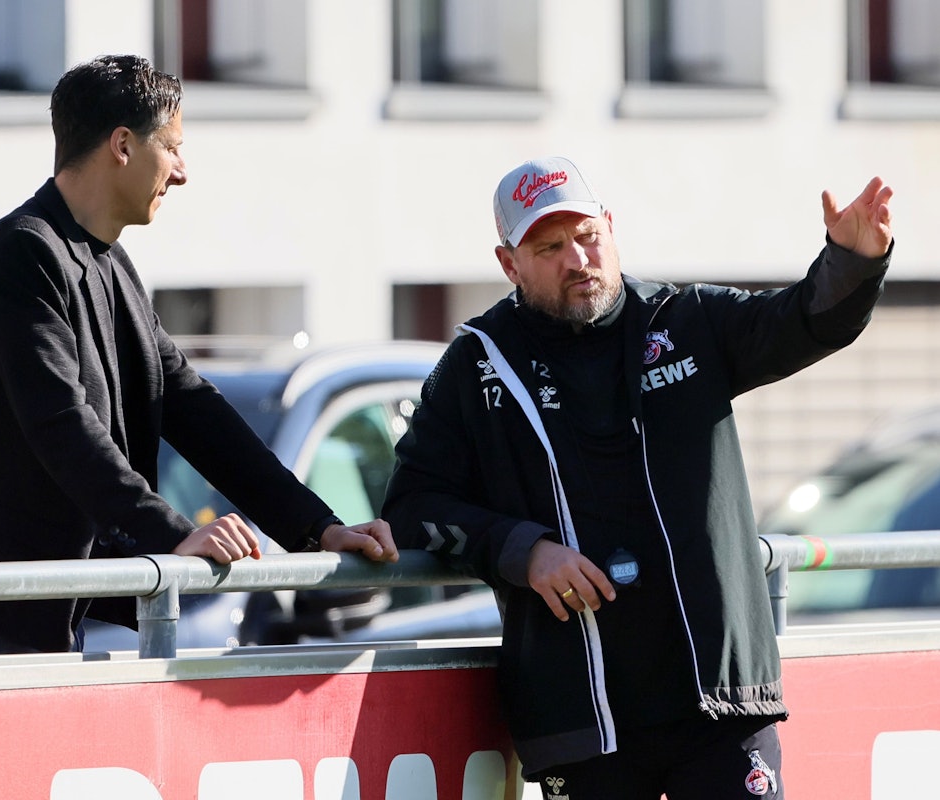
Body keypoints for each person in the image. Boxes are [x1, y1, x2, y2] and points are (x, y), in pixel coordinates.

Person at [382, 155, 893, 798]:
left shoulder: (683, 319)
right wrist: (523, 550)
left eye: (588, 236)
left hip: (719, 701)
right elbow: (412, 506)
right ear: (509, 263)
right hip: (582, 717)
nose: (578, 258)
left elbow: (803, 320)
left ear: (611, 228)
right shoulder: (476, 362)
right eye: (549, 246)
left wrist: (851, 260)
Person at [0, 55, 397, 657]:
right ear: (123, 145)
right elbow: (62, 425)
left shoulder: (111, 266)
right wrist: (173, 535)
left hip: (39, 613)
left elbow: (191, 406)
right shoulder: (21, 254)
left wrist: (317, 529)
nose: (183, 172)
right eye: (174, 147)